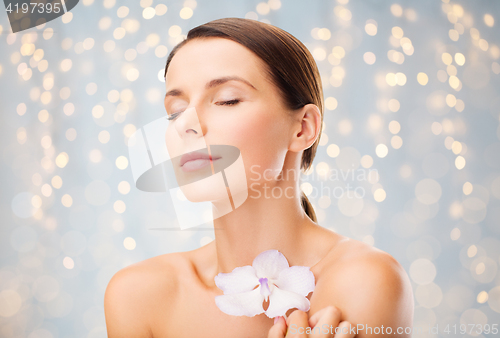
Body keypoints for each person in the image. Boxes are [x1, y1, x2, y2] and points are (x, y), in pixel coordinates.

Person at [104, 17, 414, 338]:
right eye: (175, 110)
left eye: (227, 100)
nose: (186, 125)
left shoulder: (364, 281)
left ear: (303, 127)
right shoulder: (139, 295)